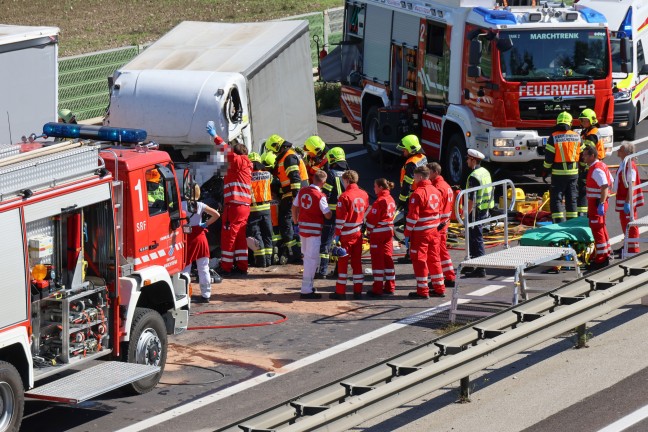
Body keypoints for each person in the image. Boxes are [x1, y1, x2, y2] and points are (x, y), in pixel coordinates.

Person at [207, 121, 253, 276]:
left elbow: (225, 150)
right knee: (240, 236)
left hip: (234, 206)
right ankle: (242, 266)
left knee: (228, 236)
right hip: (244, 206)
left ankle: (226, 266)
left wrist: (215, 136)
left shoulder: (238, 161)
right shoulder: (247, 165)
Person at [265, 134, 308, 263]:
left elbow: (295, 178)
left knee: (285, 221)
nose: (273, 153)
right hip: (291, 193)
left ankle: (294, 252)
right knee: (291, 221)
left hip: (293, 194)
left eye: (273, 150)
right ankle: (296, 250)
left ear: (276, 146)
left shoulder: (288, 157)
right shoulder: (286, 156)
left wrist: (296, 197)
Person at [404, 165, 445, 299]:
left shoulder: (417, 193)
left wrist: (407, 233)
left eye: (414, 177)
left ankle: (422, 291)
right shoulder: (436, 190)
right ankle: (439, 288)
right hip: (434, 231)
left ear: (420, 177)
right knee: (434, 259)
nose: (413, 179)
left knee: (419, 261)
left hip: (421, 234)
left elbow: (413, 217)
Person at [292, 170, 332, 299]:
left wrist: (295, 221)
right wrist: (331, 213)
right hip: (314, 233)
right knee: (312, 260)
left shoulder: (302, 191)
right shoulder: (320, 196)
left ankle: (308, 286)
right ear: (323, 182)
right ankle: (306, 290)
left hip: (302, 229)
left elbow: (294, 207)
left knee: (306, 258)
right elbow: (327, 214)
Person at [330, 170, 369, 300]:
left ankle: (340, 292)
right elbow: (365, 210)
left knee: (342, 263)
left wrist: (336, 234)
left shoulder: (344, 196)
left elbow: (341, 219)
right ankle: (358, 291)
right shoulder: (364, 194)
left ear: (346, 180)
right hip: (358, 233)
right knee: (357, 263)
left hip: (346, 235)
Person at [182, 183, 221, 304]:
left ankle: (185, 295)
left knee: (185, 269)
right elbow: (217, 214)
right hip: (200, 237)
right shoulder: (200, 205)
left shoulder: (181, 205)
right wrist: (205, 224)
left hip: (187, 238)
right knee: (204, 268)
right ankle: (206, 295)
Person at [542, 111, 583, 224]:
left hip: (558, 174)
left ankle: (559, 223)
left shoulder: (554, 137)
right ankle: (572, 224)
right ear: (570, 123)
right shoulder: (577, 136)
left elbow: (549, 159)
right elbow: (583, 155)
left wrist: (545, 171)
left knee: (556, 199)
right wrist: (584, 169)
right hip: (574, 174)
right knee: (572, 199)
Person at [317, 146, 350, 279]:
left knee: (326, 242)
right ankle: (339, 271)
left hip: (332, 215)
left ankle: (322, 271)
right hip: (346, 215)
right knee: (342, 243)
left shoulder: (331, 174)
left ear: (332, 159)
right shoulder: (349, 173)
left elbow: (325, 195)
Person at [396, 134, 428, 263]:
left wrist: (401, 201)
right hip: (423, 195)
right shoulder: (422, 157)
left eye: (404, 150)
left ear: (411, 149)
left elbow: (407, 185)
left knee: (409, 227)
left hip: (412, 199)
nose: (403, 152)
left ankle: (410, 254)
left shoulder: (410, 164)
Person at [583, 145, 614, 270]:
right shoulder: (601, 166)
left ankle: (601, 259)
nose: (583, 157)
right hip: (598, 202)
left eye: (585, 155)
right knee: (601, 227)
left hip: (596, 203)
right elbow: (611, 180)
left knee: (597, 229)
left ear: (592, 156)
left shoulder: (596, 169)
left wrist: (601, 202)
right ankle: (606, 252)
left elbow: (605, 185)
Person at [464, 149, 494, 277]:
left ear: (473, 160)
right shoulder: (484, 172)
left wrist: (464, 215)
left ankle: (480, 268)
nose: (466, 161)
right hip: (484, 208)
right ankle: (472, 263)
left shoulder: (474, 176)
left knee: (476, 237)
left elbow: (472, 198)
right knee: (474, 236)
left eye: (468, 159)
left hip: (476, 210)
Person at [366, 178, 397, 297]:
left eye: (375, 186)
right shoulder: (391, 199)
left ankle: (377, 288)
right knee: (388, 259)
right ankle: (390, 286)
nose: (374, 188)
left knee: (377, 261)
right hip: (389, 232)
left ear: (380, 187)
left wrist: (368, 229)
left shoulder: (379, 201)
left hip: (378, 233)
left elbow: (372, 219)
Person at [613, 143, 644, 257]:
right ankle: (627, 245)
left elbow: (632, 184)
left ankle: (633, 249)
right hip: (623, 199)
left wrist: (627, 202)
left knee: (631, 224)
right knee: (625, 224)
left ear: (626, 152)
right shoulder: (625, 163)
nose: (618, 151)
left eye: (620, 149)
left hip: (626, 201)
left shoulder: (629, 165)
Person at [429, 162, 456, 287]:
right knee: (442, 251)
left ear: (435, 172)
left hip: (438, 225)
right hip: (444, 223)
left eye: (428, 172)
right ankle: (449, 276)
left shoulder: (438, 188)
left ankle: (439, 281)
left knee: (435, 254)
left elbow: (436, 208)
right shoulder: (445, 185)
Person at [247, 152, 274, 267]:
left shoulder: (247, 176)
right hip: (267, 209)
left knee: (256, 234)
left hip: (253, 209)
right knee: (267, 233)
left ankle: (260, 261)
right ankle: (269, 260)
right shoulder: (268, 174)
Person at [577, 108, 605, 215]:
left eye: (585, 120)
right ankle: (587, 213)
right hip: (592, 166)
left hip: (590, 167)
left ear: (592, 120)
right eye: (582, 120)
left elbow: (588, 152)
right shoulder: (588, 132)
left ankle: (583, 215)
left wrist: (583, 165)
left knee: (584, 191)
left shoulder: (592, 134)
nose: (583, 122)